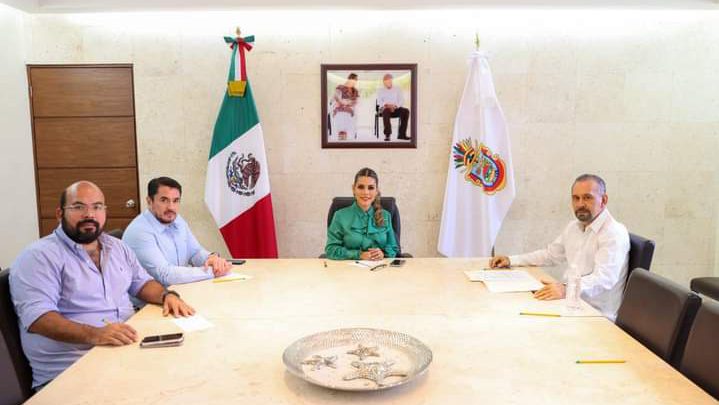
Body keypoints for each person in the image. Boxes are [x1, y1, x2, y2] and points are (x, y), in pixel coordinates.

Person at [10, 181, 195, 390]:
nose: (89, 214)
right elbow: (39, 319)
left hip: (122, 351)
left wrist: (167, 296)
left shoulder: (116, 247)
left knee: (191, 372)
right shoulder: (38, 257)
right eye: (79, 207)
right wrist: (95, 334)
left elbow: (141, 282)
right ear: (59, 214)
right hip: (72, 371)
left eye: (97, 207)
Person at [489, 174, 630, 320]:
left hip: (595, 315)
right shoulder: (573, 227)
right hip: (569, 303)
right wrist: (511, 260)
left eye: (587, 197)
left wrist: (566, 288)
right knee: (508, 308)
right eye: (576, 198)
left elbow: (604, 279)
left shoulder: (614, 233)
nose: (580, 204)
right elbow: (550, 254)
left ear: (604, 200)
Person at [122, 177, 232, 287]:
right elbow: (165, 275)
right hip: (148, 302)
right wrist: (213, 271)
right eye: (164, 200)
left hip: (178, 292)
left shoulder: (176, 220)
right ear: (149, 201)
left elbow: (195, 252)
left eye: (175, 201)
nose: (171, 207)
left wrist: (211, 259)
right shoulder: (139, 231)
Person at [325, 168, 399, 260]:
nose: (366, 192)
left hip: (380, 270)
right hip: (348, 271)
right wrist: (358, 255)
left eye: (371, 188)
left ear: (376, 191)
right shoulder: (340, 216)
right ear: (353, 189)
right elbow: (331, 250)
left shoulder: (385, 215)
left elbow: (393, 248)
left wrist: (383, 254)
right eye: (361, 187)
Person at [376, 73, 410, 141]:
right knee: (386, 110)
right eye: (385, 80)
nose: (387, 81)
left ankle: (402, 135)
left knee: (406, 111)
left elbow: (401, 100)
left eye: (388, 80)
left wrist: (395, 106)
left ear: (391, 80)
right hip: (385, 109)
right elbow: (379, 101)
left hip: (395, 108)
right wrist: (387, 106)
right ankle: (387, 135)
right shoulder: (380, 90)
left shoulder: (397, 89)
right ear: (383, 82)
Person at [332, 73, 360, 141]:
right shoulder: (340, 87)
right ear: (350, 79)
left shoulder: (355, 91)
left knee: (348, 115)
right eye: (355, 80)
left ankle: (346, 138)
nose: (356, 82)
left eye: (356, 80)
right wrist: (344, 103)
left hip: (350, 108)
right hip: (340, 107)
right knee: (340, 114)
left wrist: (348, 104)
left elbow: (356, 102)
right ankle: (342, 136)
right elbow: (336, 98)